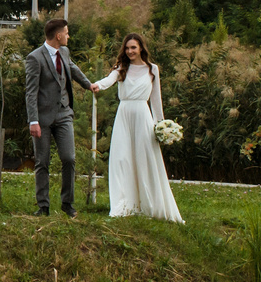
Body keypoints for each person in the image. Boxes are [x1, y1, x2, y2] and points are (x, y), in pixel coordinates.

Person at [90, 33, 184, 222]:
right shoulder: (121, 68)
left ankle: (148, 203)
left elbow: (156, 101)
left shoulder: (152, 69)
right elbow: (108, 80)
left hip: (143, 115)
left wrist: (161, 126)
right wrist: (97, 85)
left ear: (141, 47)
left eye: (133, 47)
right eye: (127, 48)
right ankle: (123, 203)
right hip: (124, 114)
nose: (130, 51)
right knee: (121, 158)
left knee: (144, 158)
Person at [23, 17, 95, 216]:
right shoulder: (34, 58)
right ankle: (43, 206)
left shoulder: (64, 51)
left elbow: (72, 68)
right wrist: (33, 121)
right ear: (58, 35)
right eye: (67, 32)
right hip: (42, 119)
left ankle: (67, 204)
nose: (68, 36)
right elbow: (31, 92)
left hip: (64, 114)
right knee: (42, 162)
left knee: (69, 158)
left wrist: (89, 85)